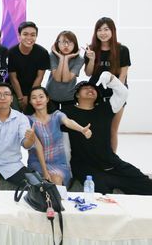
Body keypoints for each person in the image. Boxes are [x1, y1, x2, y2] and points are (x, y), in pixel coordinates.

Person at [62, 73, 152, 195]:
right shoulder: (66, 112)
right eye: (86, 88)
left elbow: (123, 93)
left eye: (93, 88)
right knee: (102, 192)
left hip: (110, 162)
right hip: (84, 164)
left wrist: (110, 78)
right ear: (77, 94)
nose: (90, 89)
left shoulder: (105, 108)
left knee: (145, 183)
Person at [27, 87, 91, 187]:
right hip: (38, 163)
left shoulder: (56, 115)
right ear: (30, 101)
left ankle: (58, 197)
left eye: (41, 97)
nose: (38, 100)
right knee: (50, 180)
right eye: (34, 98)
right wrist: (45, 171)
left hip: (58, 163)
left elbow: (68, 122)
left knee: (56, 178)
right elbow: (38, 147)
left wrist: (82, 129)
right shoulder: (28, 120)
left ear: (47, 99)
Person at [84, 17, 131, 153]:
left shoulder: (122, 50)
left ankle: (112, 160)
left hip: (115, 95)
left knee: (112, 130)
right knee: (95, 129)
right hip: (95, 95)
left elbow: (123, 76)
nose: (103, 33)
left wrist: (117, 95)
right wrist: (91, 59)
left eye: (106, 29)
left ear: (112, 31)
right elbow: (88, 73)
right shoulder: (91, 49)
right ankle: (96, 159)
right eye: (99, 30)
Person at [7, 21, 49, 112]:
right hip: (15, 91)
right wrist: (20, 98)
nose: (29, 38)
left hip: (33, 89)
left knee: (32, 113)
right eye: (25, 34)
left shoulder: (42, 53)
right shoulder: (11, 53)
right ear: (19, 36)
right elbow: (13, 78)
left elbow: (39, 77)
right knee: (15, 112)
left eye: (33, 35)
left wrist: (31, 96)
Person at [46, 30, 83, 110]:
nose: (66, 45)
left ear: (75, 44)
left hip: (69, 97)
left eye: (69, 42)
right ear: (57, 43)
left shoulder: (79, 59)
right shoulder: (52, 55)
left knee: (68, 118)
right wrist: (61, 58)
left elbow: (66, 79)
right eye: (63, 42)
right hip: (51, 95)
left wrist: (65, 59)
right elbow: (57, 78)